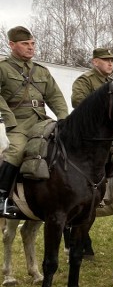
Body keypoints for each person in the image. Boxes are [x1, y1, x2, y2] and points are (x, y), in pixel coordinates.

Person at [0, 26, 69, 217]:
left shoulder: (40, 71)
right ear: (12, 45)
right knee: (17, 150)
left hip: (40, 120)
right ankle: (2, 198)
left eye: (32, 44)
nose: (31, 47)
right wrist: (9, 119)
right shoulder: (3, 68)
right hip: (16, 123)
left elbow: (55, 97)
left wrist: (63, 119)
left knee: (62, 145)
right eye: (25, 44)